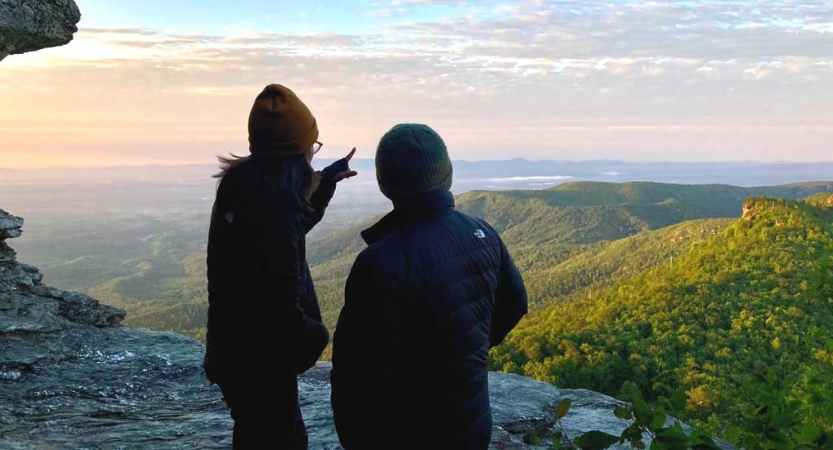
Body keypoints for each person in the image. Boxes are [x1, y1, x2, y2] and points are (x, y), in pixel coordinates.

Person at [330, 123, 528, 449]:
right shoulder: (483, 233)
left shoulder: (379, 262)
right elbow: (515, 304)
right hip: (472, 422)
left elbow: (355, 374)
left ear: (386, 182)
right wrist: (469, 349)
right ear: (445, 174)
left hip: (406, 430)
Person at [203, 83, 357, 450]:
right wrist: (318, 336)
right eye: (311, 146)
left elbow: (282, 238)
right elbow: (280, 303)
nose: (311, 153)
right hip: (261, 362)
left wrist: (324, 185)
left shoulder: (246, 184)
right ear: (296, 151)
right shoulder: (275, 207)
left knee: (255, 434)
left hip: (235, 351)